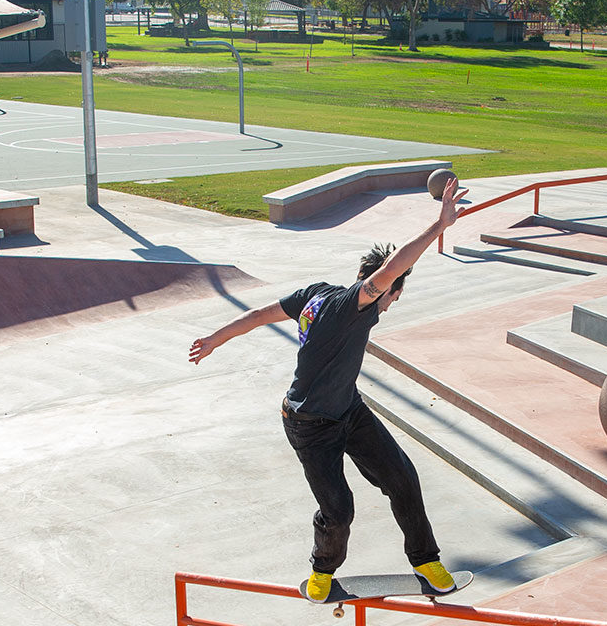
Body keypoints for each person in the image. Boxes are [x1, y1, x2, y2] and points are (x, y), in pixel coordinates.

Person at [189, 173, 465, 602]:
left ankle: (425, 559)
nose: (389, 304)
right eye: (391, 296)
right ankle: (322, 571)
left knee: (402, 478)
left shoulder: (318, 294)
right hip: (308, 424)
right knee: (338, 509)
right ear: (378, 289)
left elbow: (261, 314)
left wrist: (215, 338)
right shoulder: (350, 306)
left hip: (349, 412)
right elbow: (392, 270)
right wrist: (439, 225)